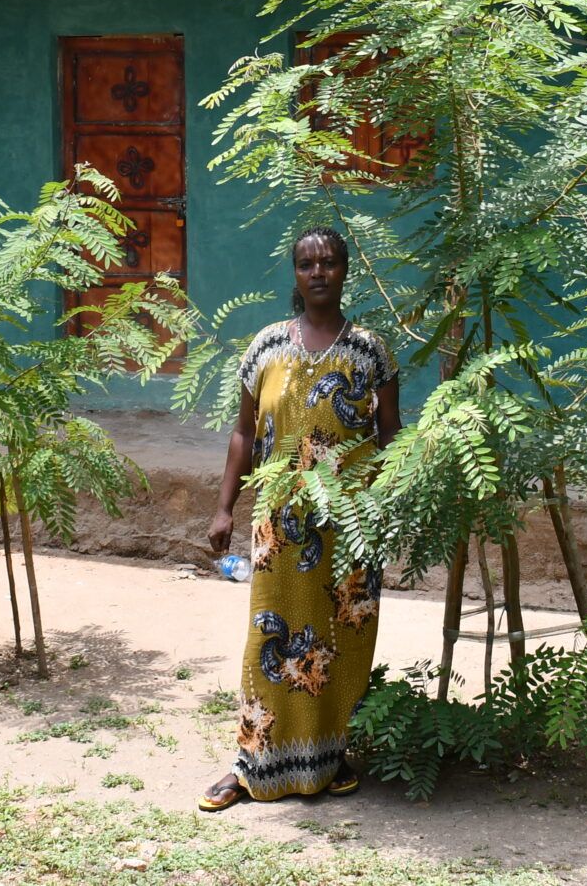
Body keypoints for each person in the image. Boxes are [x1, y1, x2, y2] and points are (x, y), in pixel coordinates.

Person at [198, 226, 400, 811]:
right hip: (279, 525)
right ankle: (251, 764)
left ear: (344, 270)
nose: (318, 272)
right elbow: (242, 433)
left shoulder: (371, 352)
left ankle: (328, 757)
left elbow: (390, 436)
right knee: (270, 637)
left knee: (341, 643)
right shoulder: (266, 348)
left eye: (329, 262)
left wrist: (382, 508)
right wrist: (223, 506)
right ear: (295, 274)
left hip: (349, 524)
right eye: (307, 264)